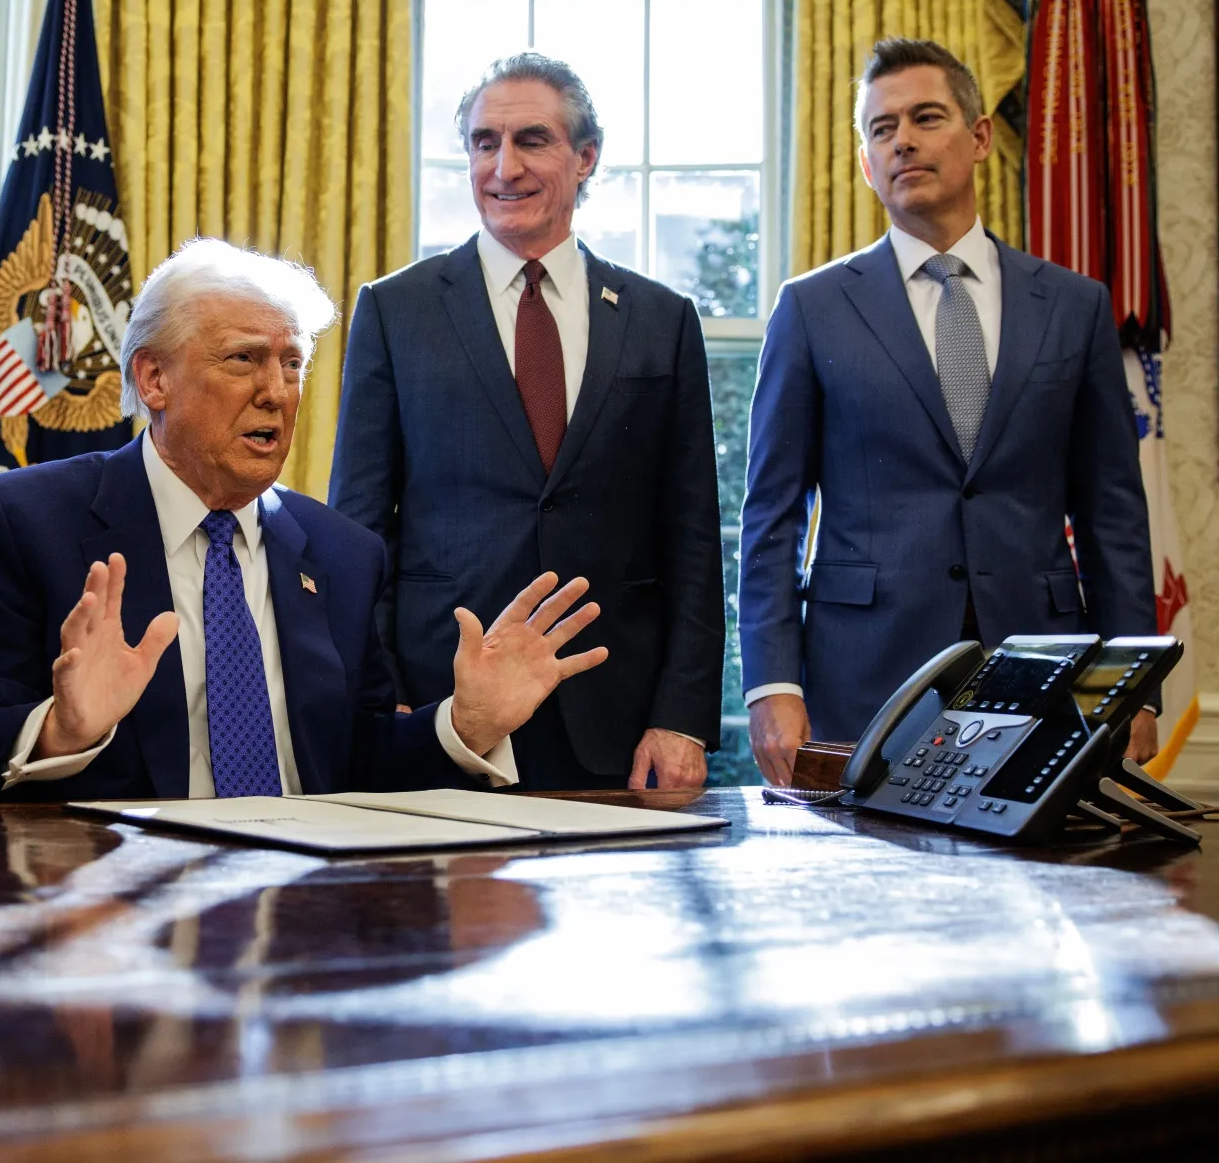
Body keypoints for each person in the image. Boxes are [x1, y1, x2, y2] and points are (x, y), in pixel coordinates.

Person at [0, 239, 608, 800]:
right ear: (153, 379)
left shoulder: (341, 552)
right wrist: (60, 730)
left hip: (307, 908)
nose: (276, 393)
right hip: (112, 904)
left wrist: (462, 725)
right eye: (244, 359)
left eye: (292, 364)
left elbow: (354, 763)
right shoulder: (19, 521)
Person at [739, 38, 1154, 785]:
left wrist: (1132, 681)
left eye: (926, 117)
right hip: (864, 673)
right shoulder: (810, 309)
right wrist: (773, 685)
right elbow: (772, 515)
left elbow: (1112, 513)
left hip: (1042, 667)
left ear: (981, 136)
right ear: (866, 163)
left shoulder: (1073, 305)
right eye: (881, 128)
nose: (902, 140)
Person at [328, 53, 722, 792]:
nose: (503, 167)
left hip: (616, 718)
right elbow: (360, 528)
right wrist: (378, 693)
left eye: (531, 141)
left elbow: (693, 538)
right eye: (484, 143)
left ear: (586, 158)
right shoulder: (396, 310)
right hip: (444, 708)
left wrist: (683, 716)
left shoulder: (660, 321)